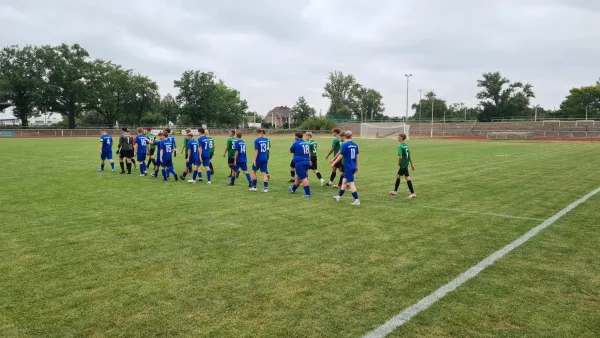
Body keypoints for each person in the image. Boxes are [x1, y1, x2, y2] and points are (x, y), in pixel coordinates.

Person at [331, 131, 360, 205]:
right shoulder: (355, 145)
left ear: (344, 136)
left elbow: (340, 156)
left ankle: (357, 200)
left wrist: (334, 163)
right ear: (351, 136)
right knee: (344, 182)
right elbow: (357, 156)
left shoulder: (345, 145)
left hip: (348, 167)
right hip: (353, 166)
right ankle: (338, 197)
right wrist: (357, 166)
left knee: (351, 184)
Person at [390, 133, 417, 198]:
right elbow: (409, 155)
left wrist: (399, 163)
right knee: (399, 176)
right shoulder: (406, 145)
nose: (398, 138)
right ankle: (395, 191)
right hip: (406, 163)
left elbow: (400, 157)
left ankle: (412, 193)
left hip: (403, 164)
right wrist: (411, 164)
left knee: (406, 177)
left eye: (398, 137)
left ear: (401, 138)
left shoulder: (400, 146)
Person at [288, 132, 312, 198]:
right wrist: (309, 160)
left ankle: (308, 194)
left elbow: (290, 150)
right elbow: (309, 152)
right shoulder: (306, 143)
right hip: (306, 161)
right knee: (298, 176)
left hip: (300, 162)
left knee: (304, 178)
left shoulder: (296, 143)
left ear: (296, 137)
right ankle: (293, 189)